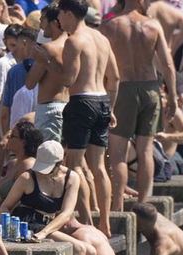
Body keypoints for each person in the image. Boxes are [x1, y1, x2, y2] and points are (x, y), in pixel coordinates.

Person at [102, 0, 177, 213]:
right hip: (150, 88)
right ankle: (144, 204)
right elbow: (168, 65)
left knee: (118, 152)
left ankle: (117, 206)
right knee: (145, 150)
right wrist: (172, 96)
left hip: (123, 88)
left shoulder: (111, 26)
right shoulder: (153, 25)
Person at [55, 0, 119, 237]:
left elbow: (68, 79)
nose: (58, 19)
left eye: (60, 14)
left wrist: (47, 61)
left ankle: (85, 221)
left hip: (82, 101)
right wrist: (111, 108)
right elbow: (115, 78)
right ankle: (105, 222)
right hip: (102, 101)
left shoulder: (74, 40)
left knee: (74, 165)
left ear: (68, 13)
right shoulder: (101, 38)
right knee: (99, 167)